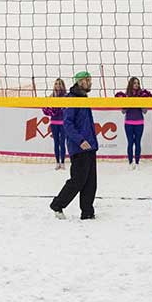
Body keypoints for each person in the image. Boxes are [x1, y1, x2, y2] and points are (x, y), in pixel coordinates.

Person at [50, 71, 97, 220]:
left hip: (89, 145)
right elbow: (68, 124)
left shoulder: (83, 97)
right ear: (79, 81)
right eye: (87, 80)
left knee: (91, 182)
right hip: (79, 146)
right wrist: (80, 140)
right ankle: (57, 205)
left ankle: (87, 212)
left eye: (90, 79)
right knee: (77, 181)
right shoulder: (71, 98)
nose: (89, 82)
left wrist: (91, 142)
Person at [115, 76, 152, 169]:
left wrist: (142, 103)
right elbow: (123, 112)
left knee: (138, 142)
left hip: (139, 123)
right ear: (131, 84)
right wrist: (126, 104)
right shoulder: (126, 96)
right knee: (130, 142)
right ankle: (130, 163)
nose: (136, 85)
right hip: (129, 123)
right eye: (135, 83)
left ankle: (137, 162)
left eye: (138, 83)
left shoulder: (142, 95)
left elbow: (145, 111)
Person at [41, 78, 67, 170]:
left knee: (62, 143)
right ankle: (57, 162)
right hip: (54, 123)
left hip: (63, 123)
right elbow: (45, 109)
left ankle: (63, 162)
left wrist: (60, 110)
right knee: (56, 142)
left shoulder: (66, 96)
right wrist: (52, 112)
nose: (57, 85)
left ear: (62, 85)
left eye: (59, 84)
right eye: (56, 84)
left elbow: (67, 110)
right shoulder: (51, 96)